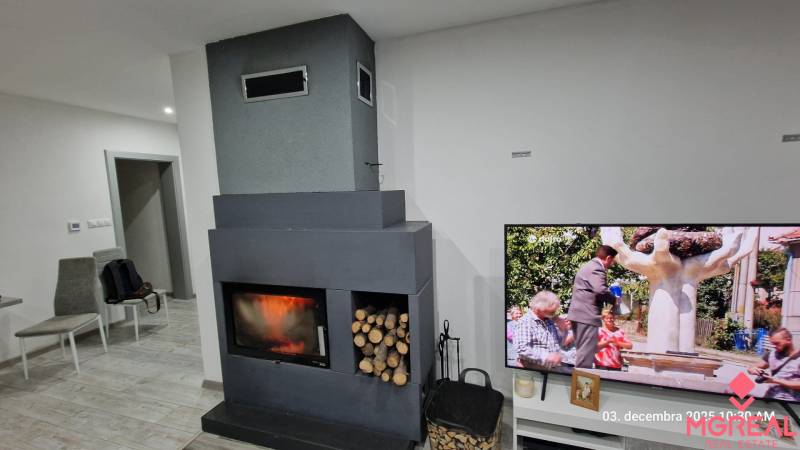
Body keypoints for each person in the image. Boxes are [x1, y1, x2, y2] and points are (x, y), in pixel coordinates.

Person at [567, 245, 618, 368]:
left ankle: (579, 384)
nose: (611, 264)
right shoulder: (597, 268)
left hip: (579, 315)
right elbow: (600, 290)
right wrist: (614, 299)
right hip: (587, 316)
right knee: (585, 356)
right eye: (612, 261)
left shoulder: (587, 266)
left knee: (583, 353)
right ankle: (581, 387)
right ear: (608, 258)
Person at [514, 291, 576, 369]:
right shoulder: (525, 322)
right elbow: (522, 348)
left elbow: (558, 343)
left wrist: (564, 330)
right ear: (539, 307)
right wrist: (547, 357)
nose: (554, 312)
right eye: (552, 309)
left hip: (549, 370)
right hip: (530, 374)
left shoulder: (548, 320)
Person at [748, 327, 800, 402]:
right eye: (773, 344)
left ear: (788, 340)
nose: (774, 346)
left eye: (777, 343)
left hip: (791, 405)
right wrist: (751, 369)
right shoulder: (771, 354)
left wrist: (775, 380)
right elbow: (754, 366)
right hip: (769, 400)